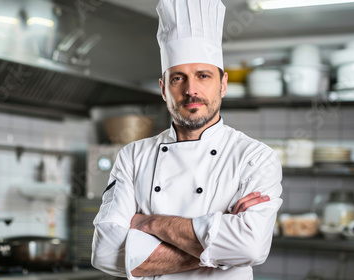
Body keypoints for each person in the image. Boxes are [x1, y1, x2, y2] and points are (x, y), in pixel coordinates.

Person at [91, 0, 283, 279]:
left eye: (203, 76)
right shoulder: (133, 156)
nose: (191, 90)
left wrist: (148, 222)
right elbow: (105, 254)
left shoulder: (255, 157)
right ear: (163, 89)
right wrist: (218, 244)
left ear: (223, 84)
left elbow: (251, 249)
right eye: (178, 78)